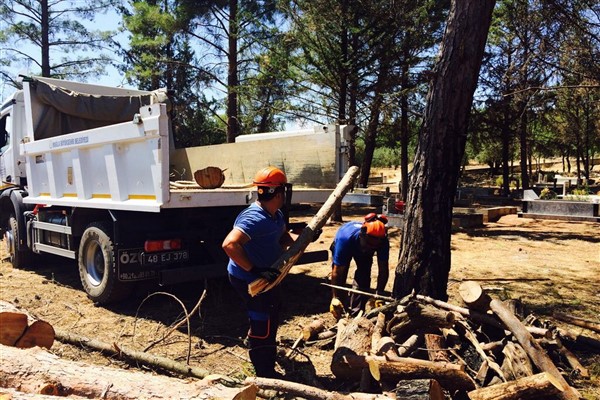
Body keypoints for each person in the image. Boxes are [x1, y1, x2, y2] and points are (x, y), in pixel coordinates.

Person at [222, 166, 295, 378]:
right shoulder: (254, 218)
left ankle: (258, 342)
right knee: (262, 317)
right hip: (248, 278)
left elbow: (281, 239)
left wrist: (302, 238)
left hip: (266, 276)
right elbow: (229, 245)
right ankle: (264, 372)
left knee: (273, 309)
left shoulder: (275, 214)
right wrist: (255, 270)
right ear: (279, 193)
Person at [329, 213, 390, 318]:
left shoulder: (382, 241)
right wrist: (335, 297)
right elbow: (337, 271)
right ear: (362, 235)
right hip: (347, 243)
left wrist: (379, 295)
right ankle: (340, 306)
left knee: (364, 275)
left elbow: (383, 270)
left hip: (359, 247)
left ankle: (356, 312)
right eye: (369, 244)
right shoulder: (345, 239)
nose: (370, 248)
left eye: (374, 247)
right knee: (341, 274)